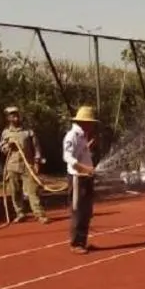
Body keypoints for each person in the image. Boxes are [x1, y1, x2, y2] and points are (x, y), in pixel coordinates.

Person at [0, 105, 48, 223]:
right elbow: (1, 148)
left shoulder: (28, 131)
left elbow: (37, 148)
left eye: (16, 114)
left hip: (27, 165)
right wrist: (7, 146)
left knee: (33, 190)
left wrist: (37, 162)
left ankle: (39, 214)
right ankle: (20, 213)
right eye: (12, 115)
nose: (15, 117)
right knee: (15, 191)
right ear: (8, 118)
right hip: (12, 165)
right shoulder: (6, 133)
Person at [62, 105, 99, 254]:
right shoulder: (72, 136)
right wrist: (84, 169)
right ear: (83, 122)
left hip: (86, 178)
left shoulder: (83, 136)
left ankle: (82, 241)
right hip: (78, 178)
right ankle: (76, 243)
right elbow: (67, 157)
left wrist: (88, 147)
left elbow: (79, 153)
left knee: (87, 211)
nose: (91, 125)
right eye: (90, 122)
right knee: (78, 211)